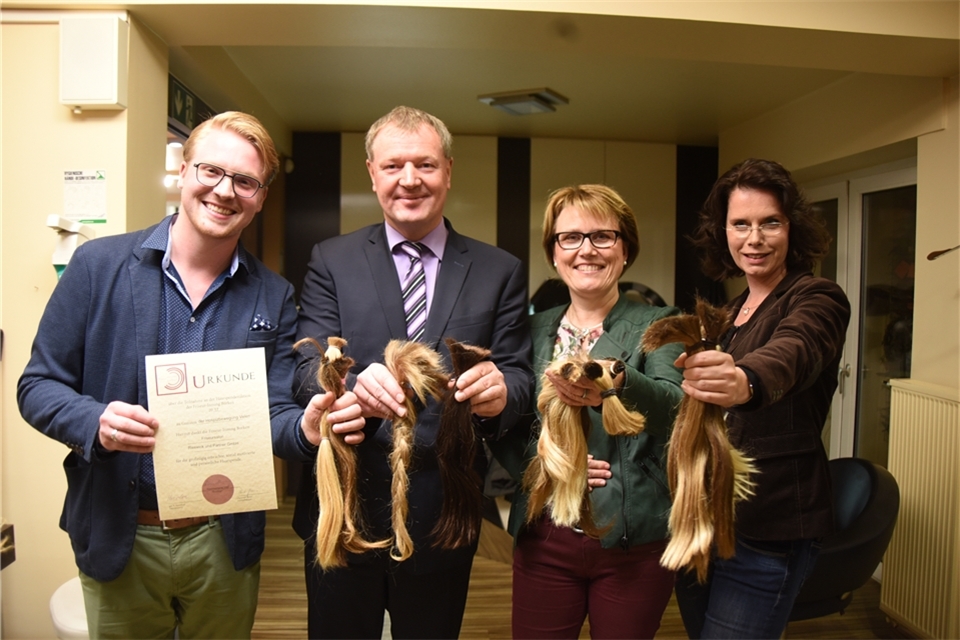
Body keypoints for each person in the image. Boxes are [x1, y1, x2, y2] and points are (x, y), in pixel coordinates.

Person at [17, 111, 365, 639]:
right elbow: (37, 386)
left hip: (222, 541)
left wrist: (305, 431)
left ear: (260, 197)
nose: (225, 191)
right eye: (211, 172)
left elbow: (271, 414)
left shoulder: (273, 295)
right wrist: (96, 422)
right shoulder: (97, 267)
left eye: (245, 181)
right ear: (184, 171)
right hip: (121, 532)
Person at [292, 105, 533, 639]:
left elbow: (519, 375)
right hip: (344, 510)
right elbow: (306, 365)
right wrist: (350, 383)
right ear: (372, 174)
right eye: (394, 165)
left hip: (444, 512)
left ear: (448, 170)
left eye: (424, 164)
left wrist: (502, 392)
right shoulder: (332, 259)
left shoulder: (499, 270)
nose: (409, 180)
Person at [493, 184, 684, 639]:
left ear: (625, 249)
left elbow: (676, 412)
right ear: (554, 253)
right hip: (545, 534)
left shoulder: (661, 324)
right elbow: (502, 423)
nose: (587, 250)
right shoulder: (528, 329)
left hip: (632, 539)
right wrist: (549, 465)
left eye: (603, 236)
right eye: (571, 237)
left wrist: (617, 380)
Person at [674, 158, 851, 639]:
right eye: (741, 224)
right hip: (706, 519)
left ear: (793, 228)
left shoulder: (817, 297)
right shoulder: (730, 312)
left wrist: (745, 380)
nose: (754, 239)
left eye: (770, 222)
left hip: (770, 524)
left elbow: (794, 351)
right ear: (723, 233)